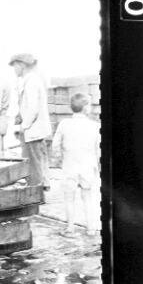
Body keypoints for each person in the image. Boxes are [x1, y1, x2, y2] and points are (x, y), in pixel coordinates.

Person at [52, 93, 100, 236]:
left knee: (69, 198)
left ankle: (70, 228)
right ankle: (91, 228)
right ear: (86, 108)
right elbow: (98, 149)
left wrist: (59, 159)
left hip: (69, 166)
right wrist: (96, 164)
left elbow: (55, 146)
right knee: (88, 197)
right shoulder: (95, 126)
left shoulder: (64, 124)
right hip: (87, 167)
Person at [9, 53, 52, 187]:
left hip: (33, 131)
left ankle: (36, 192)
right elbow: (28, 106)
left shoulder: (31, 81)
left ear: (22, 65)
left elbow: (33, 109)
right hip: (34, 130)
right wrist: (20, 116)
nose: (14, 69)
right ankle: (40, 187)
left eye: (15, 66)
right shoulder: (30, 80)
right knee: (37, 162)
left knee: (34, 165)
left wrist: (24, 126)